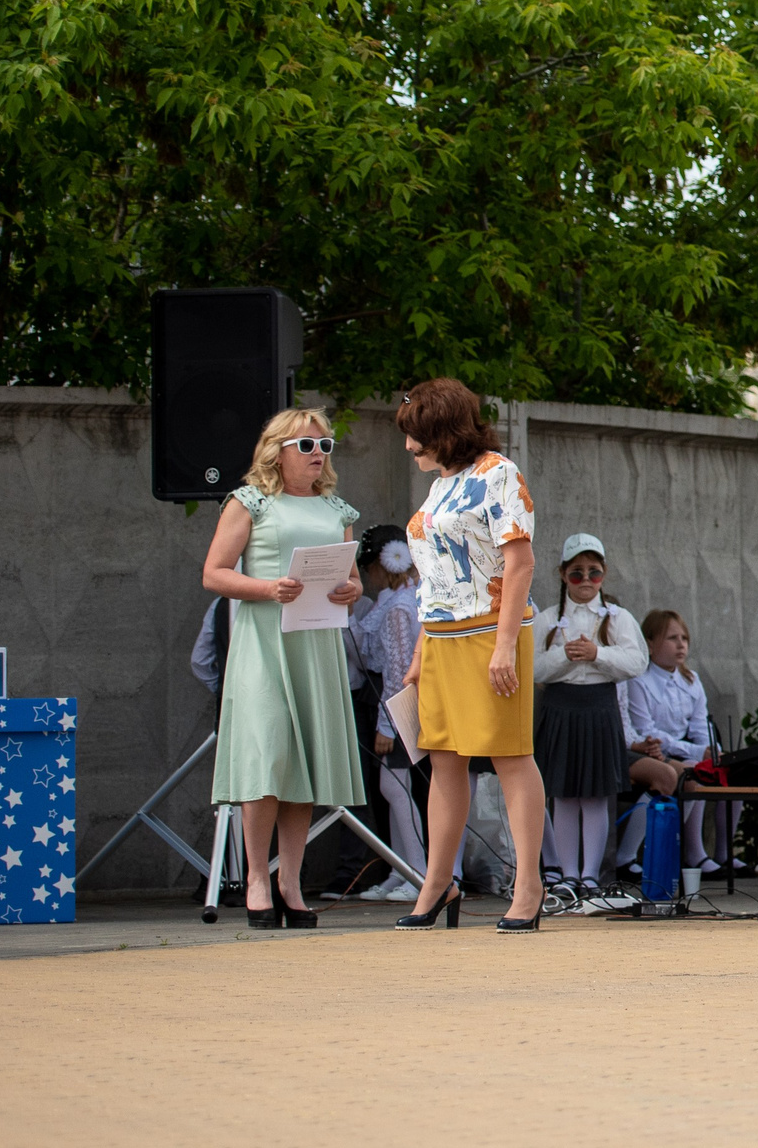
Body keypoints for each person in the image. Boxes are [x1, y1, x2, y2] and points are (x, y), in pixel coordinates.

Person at [198, 409, 370, 930]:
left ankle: (289, 883)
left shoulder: (336, 508)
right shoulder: (248, 501)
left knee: (304, 762)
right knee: (267, 753)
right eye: (307, 445)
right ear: (278, 449)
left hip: (315, 641)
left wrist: (352, 589)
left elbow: (355, 580)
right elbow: (214, 573)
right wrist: (267, 588)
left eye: (326, 446)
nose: (318, 454)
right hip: (263, 642)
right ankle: (255, 878)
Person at [394, 377, 547, 933]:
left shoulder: (497, 472)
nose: (409, 447)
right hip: (441, 638)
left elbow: (521, 563)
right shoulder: (441, 485)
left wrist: (505, 643)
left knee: (509, 754)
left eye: (418, 436)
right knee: (443, 759)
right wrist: (418, 651)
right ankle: (438, 882)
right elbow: (433, 581)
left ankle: (529, 884)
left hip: (490, 633)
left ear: (445, 431)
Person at [529, 535, 647, 900]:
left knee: (595, 795)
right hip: (561, 705)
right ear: (563, 575)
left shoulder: (618, 618)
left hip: (599, 705)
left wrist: (597, 654)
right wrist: (566, 655)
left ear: (604, 575)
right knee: (563, 794)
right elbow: (533, 669)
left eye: (593, 574)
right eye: (577, 573)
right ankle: (567, 874)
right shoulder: (547, 619)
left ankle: (591, 875)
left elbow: (637, 662)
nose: (585, 582)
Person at [346, 525, 426, 901]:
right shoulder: (392, 600)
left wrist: (386, 725)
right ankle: (402, 869)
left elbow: (396, 670)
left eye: (369, 567)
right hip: (395, 698)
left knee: (395, 787)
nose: (366, 575)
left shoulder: (398, 605)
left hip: (398, 702)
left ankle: (418, 872)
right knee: (395, 787)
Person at [618, 609, 718, 878]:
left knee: (713, 770)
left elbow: (700, 725)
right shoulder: (640, 680)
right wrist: (697, 751)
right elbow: (646, 730)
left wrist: (711, 750)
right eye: (672, 638)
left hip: (679, 749)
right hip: (648, 748)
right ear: (649, 644)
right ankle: (632, 854)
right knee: (689, 774)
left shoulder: (691, 679)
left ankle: (696, 852)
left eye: (684, 637)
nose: (681, 644)